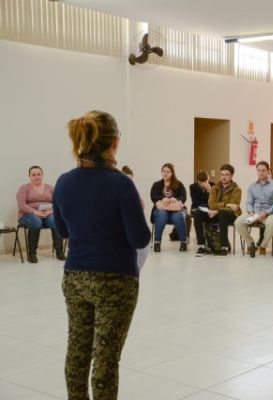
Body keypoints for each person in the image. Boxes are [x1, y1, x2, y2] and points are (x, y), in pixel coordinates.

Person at [52, 111, 151, 400]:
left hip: (75, 278)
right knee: (106, 359)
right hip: (115, 281)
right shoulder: (121, 184)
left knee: (78, 349)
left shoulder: (63, 182)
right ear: (115, 144)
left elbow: (62, 231)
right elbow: (140, 238)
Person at [16, 166, 64, 263]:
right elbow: (21, 205)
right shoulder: (24, 188)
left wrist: (51, 211)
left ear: (42, 175)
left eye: (39, 174)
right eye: (33, 175)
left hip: (47, 213)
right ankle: (32, 253)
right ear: (29, 176)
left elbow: (59, 202)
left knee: (55, 221)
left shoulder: (51, 188)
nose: (36, 177)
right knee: (36, 221)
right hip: (28, 214)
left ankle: (59, 252)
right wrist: (35, 212)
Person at [235, 160, 273, 257]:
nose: (261, 173)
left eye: (263, 170)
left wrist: (266, 213)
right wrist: (251, 211)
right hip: (254, 213)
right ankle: (251, 244)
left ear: (268, 171)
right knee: (238, 222)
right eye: (259, 170)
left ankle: (263, 246)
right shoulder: (252, 187)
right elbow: (249, 202)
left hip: (269, 213)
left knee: (272, 222)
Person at [150, 163, 188, 252]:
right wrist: (162, 199)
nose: (165, 173)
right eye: (163, 171)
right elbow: (153, 197)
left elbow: (183, 197)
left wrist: (173, 199)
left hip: (175, 211)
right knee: (162, 214)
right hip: (162, 211)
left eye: (168, 172)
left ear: (172, 173)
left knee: (178, 215)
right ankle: (157, 242)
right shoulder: (156, 185)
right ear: (161, 172)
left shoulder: (179, 184)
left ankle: (183, 242)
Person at [207, 163, 242, 255]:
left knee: (222, 213)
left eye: (227, 175)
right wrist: (227, 204)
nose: (224, 177)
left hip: (232, 215)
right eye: (222, 174)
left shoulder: (237, 189)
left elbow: (234, 207)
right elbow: (211, 204)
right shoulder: (215, 188)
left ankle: (224, 246)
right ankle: (202, 246)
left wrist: (217, 210)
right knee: (199, 213)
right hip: (218, 213)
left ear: (231, 176)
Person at [189, 170, 214, 254]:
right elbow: (196, 202)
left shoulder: (213, 185)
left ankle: (212, 243)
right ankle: (201, 245)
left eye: (206, 181)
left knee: (207, 215)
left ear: (208, 179)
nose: (204, 183)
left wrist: (210, 191)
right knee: (197, 214)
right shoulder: (192, 187)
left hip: (210, 209)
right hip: (197, 208)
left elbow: (214, 202)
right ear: (198, 181)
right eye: (201, 182)